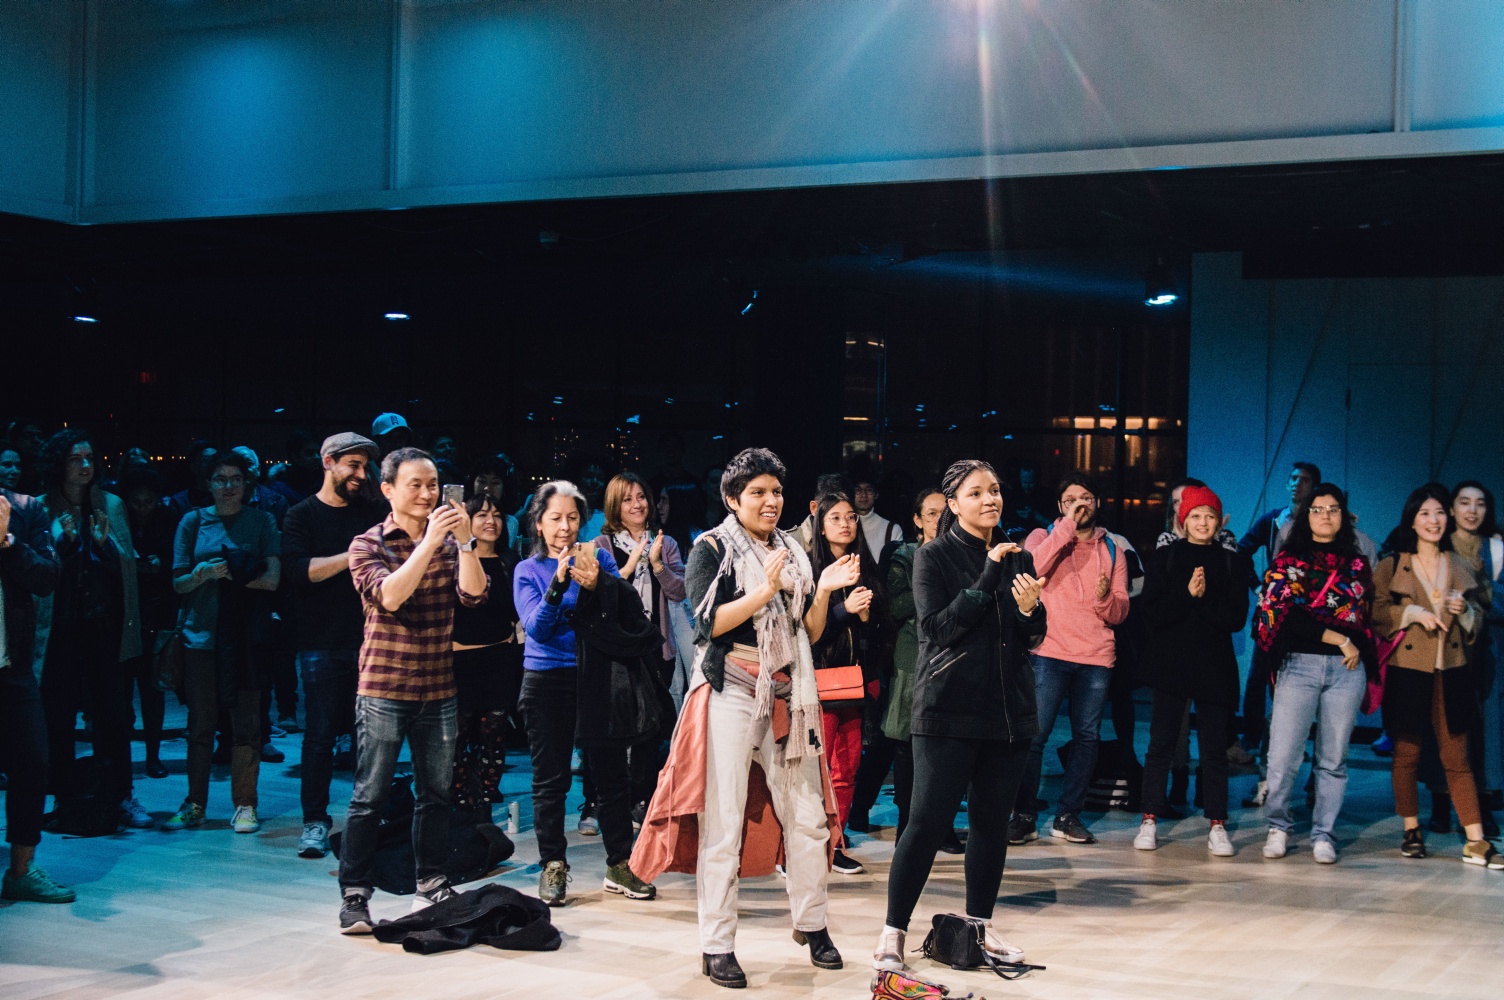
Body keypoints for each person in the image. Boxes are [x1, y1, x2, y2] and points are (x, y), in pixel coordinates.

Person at [631, 448, 848, 989]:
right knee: (722, 821)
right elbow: (709, 625)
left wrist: (821, 591)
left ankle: (812, 924)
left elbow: (810, 631)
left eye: (776, 491)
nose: (771, 501)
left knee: (807, 815)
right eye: (758, 492)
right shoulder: (713, 547)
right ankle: (716, 944)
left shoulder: (793, 550)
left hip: (788, 691)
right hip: (730, 690)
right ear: (732, 499)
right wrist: (763, 591)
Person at [873, 459, 1046, 973]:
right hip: (948, 711)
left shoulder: (1022, 556)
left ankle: (979, 928)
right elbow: (940, 628)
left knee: (991, 826)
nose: (990, 500)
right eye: (976, 493)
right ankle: (892, 933)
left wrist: (1032, 611)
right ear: (953, 504)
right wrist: (990, 571)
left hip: (1007, 713)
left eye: (994, 490)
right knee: (925, 823)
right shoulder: (932, 557)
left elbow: (1033, 637)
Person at [337, 447, 489, 933]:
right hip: (383, 686)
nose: (427, 494)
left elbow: (475, 596)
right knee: (370, 795)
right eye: (416, 485)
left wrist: (464, 544)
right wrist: (431, 542)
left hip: (438, 687)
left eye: (433, 485)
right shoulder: (366, 544)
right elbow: (390, 595)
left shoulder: (449, 545)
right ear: (388, 490)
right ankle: (356, 894)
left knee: (436, 794)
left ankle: (432, 881)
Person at [512, 480, 654, 906]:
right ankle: (553, 865)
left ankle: (619, 864)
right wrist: (558, 584)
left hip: (596, 675)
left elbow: (629, 608)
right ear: (538, 523)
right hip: (546, 680)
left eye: (572, 518)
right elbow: (536, 628)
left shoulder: (601, 557)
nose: (564, 527)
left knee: (611, 778)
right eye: (555, 518)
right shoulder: (527, 570)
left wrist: (597, 585)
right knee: (550, 780)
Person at [1373, 483, 1499, 868]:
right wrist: (1409, 615)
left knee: (1457, 755)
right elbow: (1376, 614)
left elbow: (1478, 624)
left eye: (1440, 513)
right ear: (1412, 518)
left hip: (1453, 669)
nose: (1434, 520)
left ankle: (1476, 840)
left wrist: (1464, 611)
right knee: (1407, 752)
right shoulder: (1392, 564)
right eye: (1426, 513)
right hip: (1409, 669)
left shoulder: (1461, 565)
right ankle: (1411, 828)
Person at [1252, 484, 1376, 863]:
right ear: (1306, 515)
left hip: (1346, 669)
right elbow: (1283, 617)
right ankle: (1278, 825)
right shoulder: (1289, 560)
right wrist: (1339, 637)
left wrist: (1348, 643)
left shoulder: (1357, 564)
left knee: (1333, 758)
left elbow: (1362, 616)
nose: (1325, 516)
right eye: (1318, 509)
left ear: (1345, 516)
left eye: (1333, 509)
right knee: (1283, 756)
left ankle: (1324, 833)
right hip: (1299, 665)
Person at [162, 450, 281, 834]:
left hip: (247, 638)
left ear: (247, 484)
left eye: (235, 479)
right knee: (200, 724)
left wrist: (232, 575)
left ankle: (245, 804)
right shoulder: (192, 522)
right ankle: (195, 803)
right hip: (201, 637)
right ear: (208, 484)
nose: (228, 487)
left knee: (247, 724)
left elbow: (274, 579)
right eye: (220, 479)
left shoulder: (262, 520)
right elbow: (178, 583)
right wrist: (201, 574)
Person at [35, 430, 149, 830]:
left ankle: (119, 795)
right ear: (59, 464)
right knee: (59, 717)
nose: (85, 466)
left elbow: (127, 569)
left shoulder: (111, 504)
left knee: (112, 715)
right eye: (75, 458)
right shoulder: (40, 506)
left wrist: (101, 547)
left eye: (89, 457)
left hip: (103, 625)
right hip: (60, 629)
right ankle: (67, 798)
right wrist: (62, 543)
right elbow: (36, 572)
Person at [1010, 472, 1129, 846]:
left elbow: (1121, 611)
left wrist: (1105, 598)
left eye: (1087, 497)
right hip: (1049, 651)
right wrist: (1064, 530)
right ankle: (1024, 814)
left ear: (1097, 503)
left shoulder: (1113, 549)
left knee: (1087, 738)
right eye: (1071, 498)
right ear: (1061, 506)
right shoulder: (1042, 537)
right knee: (1035, 736)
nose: (1081, 503)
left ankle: (1068, 814)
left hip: (1095, 655)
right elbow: (1031, 571)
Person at [280, 432, 384, 858]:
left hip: (373, 639)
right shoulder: (301, 515)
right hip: (321, 641)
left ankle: (365, 826)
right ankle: (315, 822)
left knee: (371, 739)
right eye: (353, 466)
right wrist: (355, 553)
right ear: (328, 462)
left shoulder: (374, 510)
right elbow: (299, 571)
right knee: (320, 737)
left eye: (365, 467)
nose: (361, 474)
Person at [1133, 486, 1251, 857]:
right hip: (1171, 663)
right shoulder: (1166, 556)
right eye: (1195, 516)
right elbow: (1152, 612)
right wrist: (1186, 594)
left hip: (1215, 666)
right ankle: (1149, 819)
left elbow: (1236, 619)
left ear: (1220, 522)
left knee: (1214, 749)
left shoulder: (1231, 561)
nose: (1202, 523)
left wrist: (1203, 597)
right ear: (1183, 520)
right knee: (1161, 744)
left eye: (1210, 517)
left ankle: (1217, 823)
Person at [594, 472, 687, 818]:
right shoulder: (602, 546)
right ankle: (602, 800)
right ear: (615, 507)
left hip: (654, 646)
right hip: (616, 648)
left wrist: (658, 562)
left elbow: (678, 591)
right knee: (615, 726)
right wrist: (633, 562)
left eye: (641, 497)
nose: (637, 505)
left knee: (652, 724)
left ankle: (642, 799)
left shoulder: (667, 542)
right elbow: (604, 593)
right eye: (628, 499)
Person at [807, 490, 890, 875]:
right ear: (820, 527)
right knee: (816, 769)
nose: (845, 523)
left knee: (847, 766)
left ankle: (835, 840)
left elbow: (880, 626)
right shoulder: (811, 570)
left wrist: (867, 616)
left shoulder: (866, 566)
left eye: (851, 517)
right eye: (836, 518)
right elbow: (808, 633)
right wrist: (843, 609)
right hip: (819, 682)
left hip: (855, 682)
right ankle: (807, 844)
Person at [0, 481, 73, 902]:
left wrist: (7, 543)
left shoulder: (25, 509)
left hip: (12, 667)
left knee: (33, 763)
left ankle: (21, 870)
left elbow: (47, 578)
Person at [875, 487, 949, 843]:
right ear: (917, 520)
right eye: (931, 513)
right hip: (912, 658)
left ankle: (942, 826)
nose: (939, 519)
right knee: (905, 744)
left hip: (951, 658)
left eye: (944, 512)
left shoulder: (964, 553)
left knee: (947, 748)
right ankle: (908, 826)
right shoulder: (904, 556)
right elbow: (897, 606)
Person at [450, 492, 521, 820]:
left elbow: (515, 614)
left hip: (499, 660)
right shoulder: (453, 558)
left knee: (493, 736)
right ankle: (461, 799)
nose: (491, 521)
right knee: (457, 737)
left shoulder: (510, 561)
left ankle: (484, 798)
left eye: (496, 514)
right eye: (481, 515)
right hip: (458, 662)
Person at [1451, 481, 1502, 823]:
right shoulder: (1437, 542)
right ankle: (1442, 802)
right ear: (1452, 507)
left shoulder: (1496, 550)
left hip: (1488, 646)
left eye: (1479, 503)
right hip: (1442, 643)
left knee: (1487, 724)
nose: (1472, 510)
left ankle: (1484, 799)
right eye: (1465, 502)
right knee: (1445, 723)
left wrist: (1481, 592)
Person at [120, 467, 174, 779]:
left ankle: (153, 756)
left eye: (149, 501)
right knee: (122, 694)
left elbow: (177, 562)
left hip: (157, 615)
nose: (142, 507)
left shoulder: (167, 520)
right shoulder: (119, 519)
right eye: (136, 502)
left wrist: (160, 565)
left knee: (153, 691)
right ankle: (124, 757)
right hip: (126, 617)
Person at [851, 468, 904, 569]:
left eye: (869, 490)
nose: (863, 495)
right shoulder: (843, 527)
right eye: (858, 490)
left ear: (876, 494)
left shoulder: (892, 529)